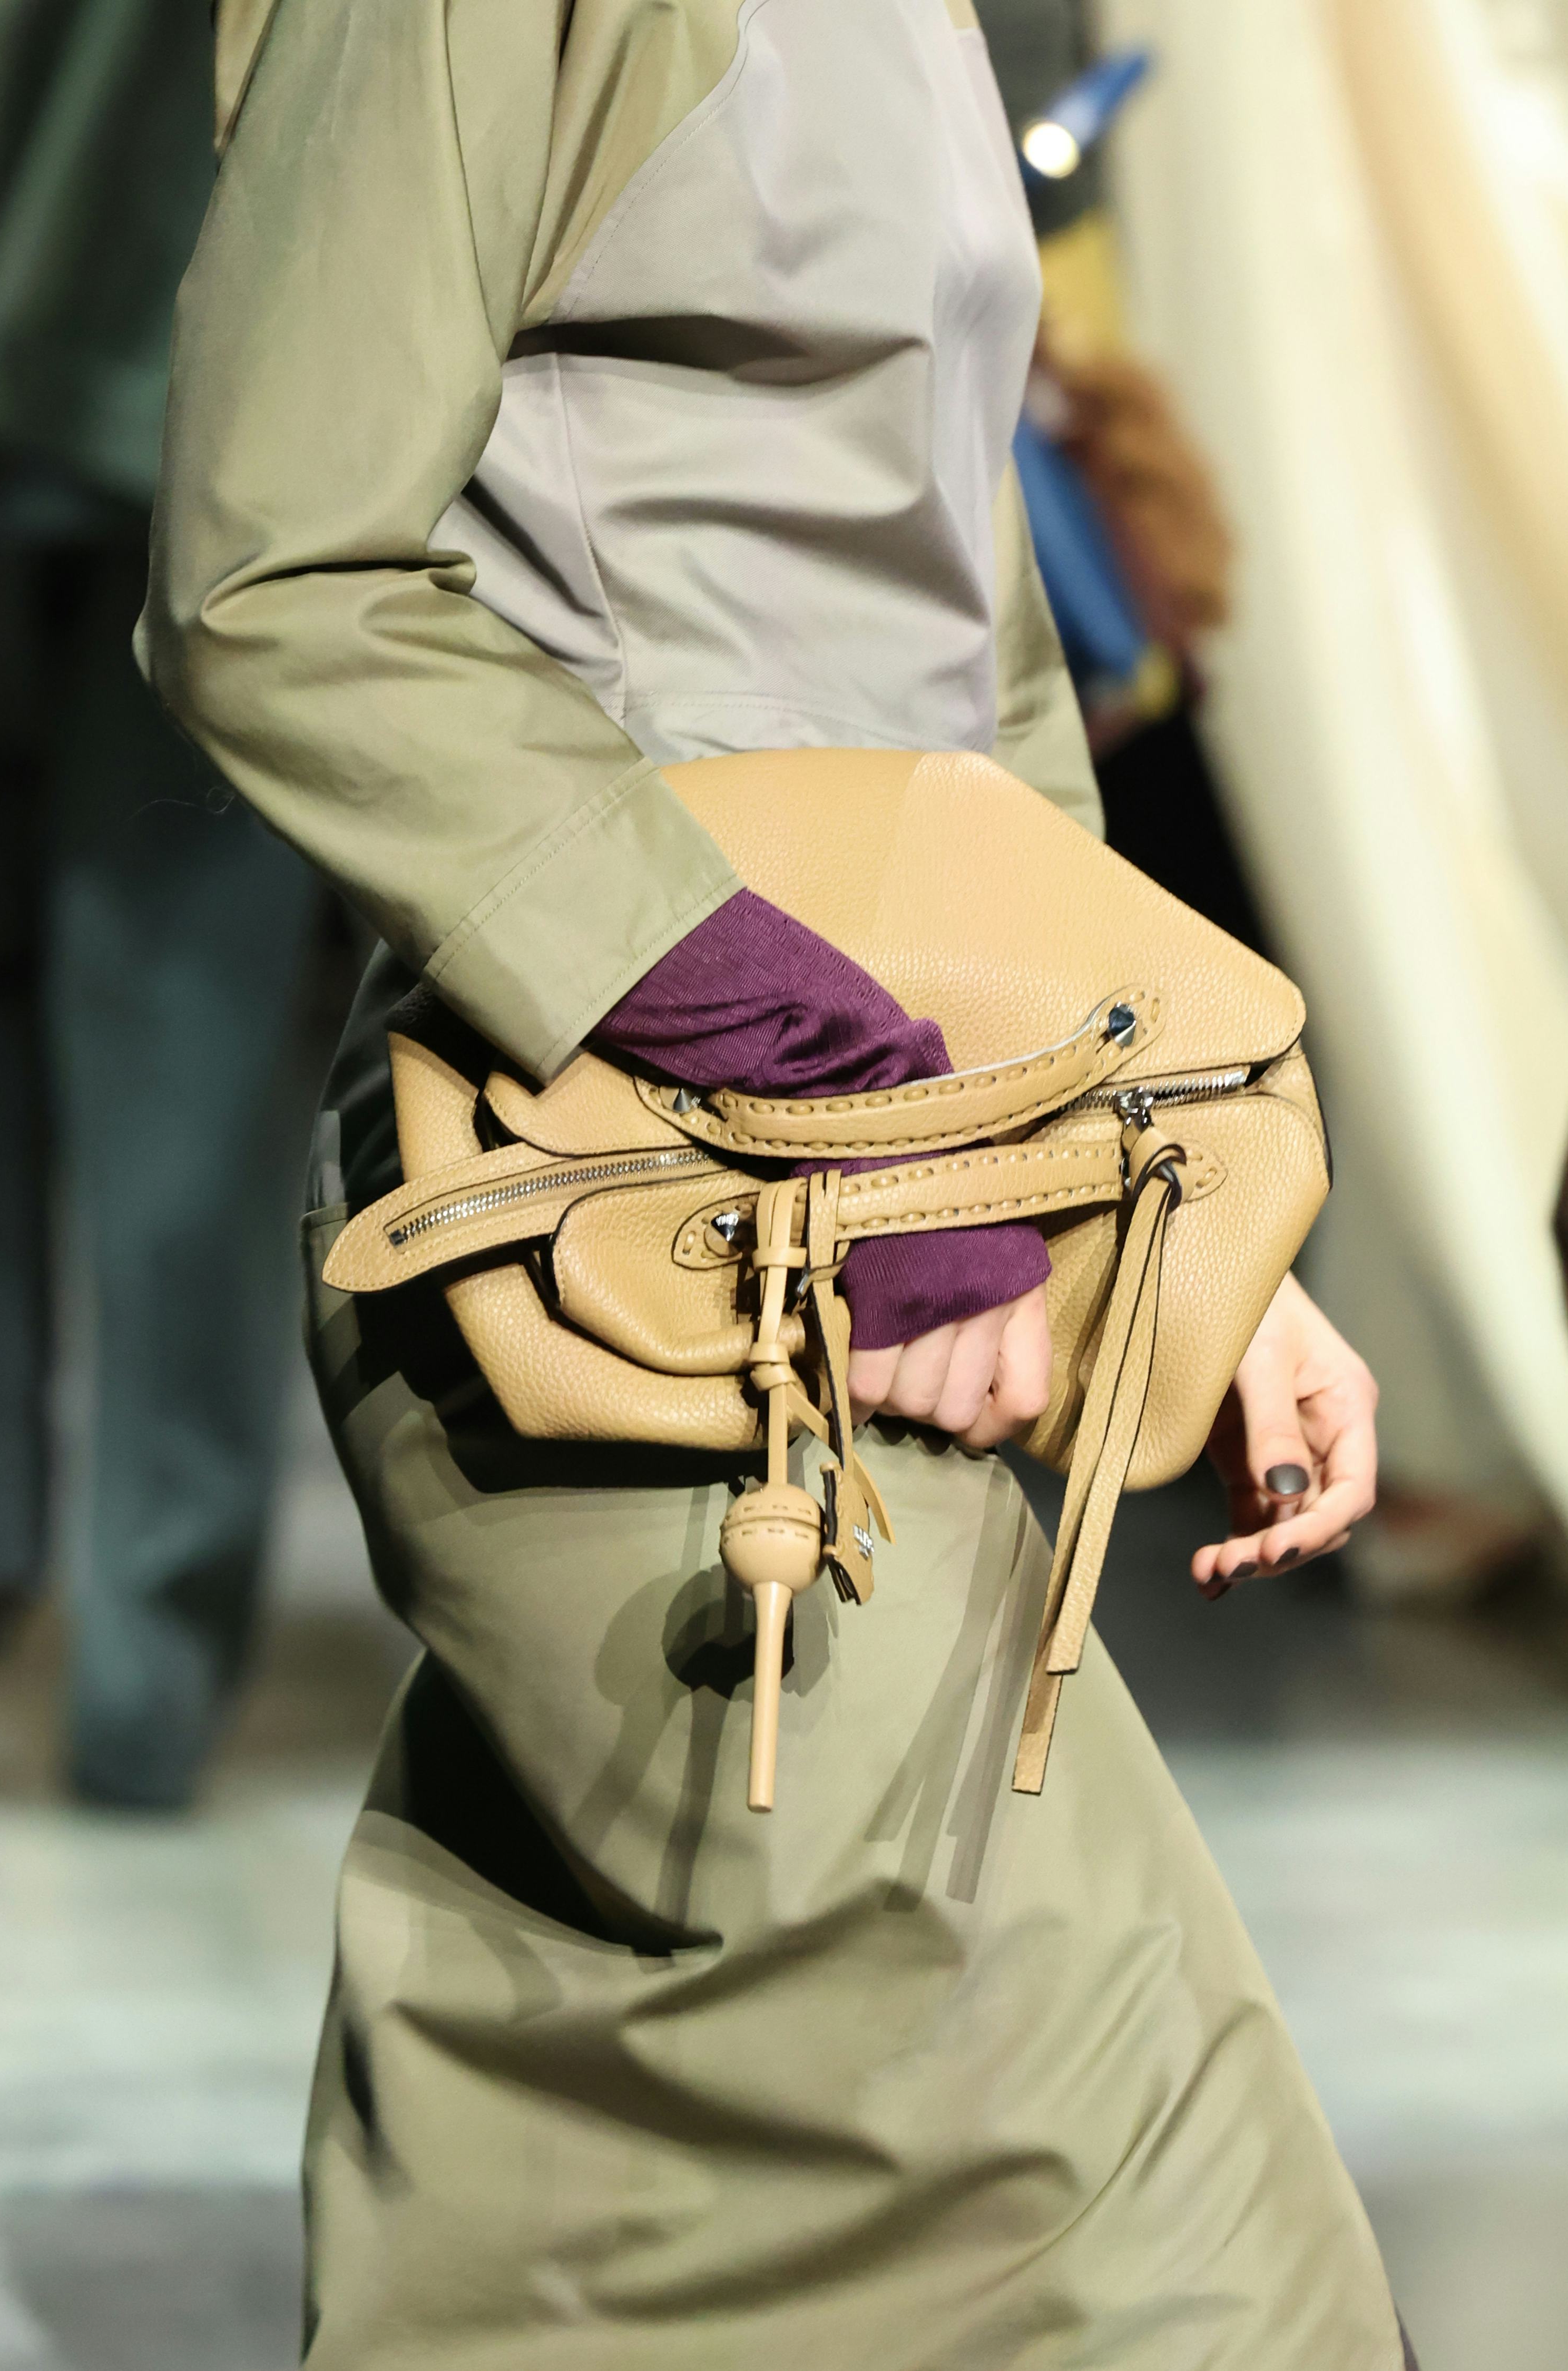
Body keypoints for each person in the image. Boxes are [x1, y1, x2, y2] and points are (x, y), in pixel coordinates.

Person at [142, 3, 1409, 2363]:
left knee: (594, 2200)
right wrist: (834, 1080)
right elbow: (271, 576)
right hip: (633, 1203)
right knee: (1151, 2251)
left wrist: (1164, 1191)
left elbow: (964, 677)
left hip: (885, 1192)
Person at [0, 0, 319, 1806]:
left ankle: (97, 1624)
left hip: (174, 408)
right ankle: (150, 1659)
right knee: (184, 1057)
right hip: (203, 406)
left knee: (170, 1045)